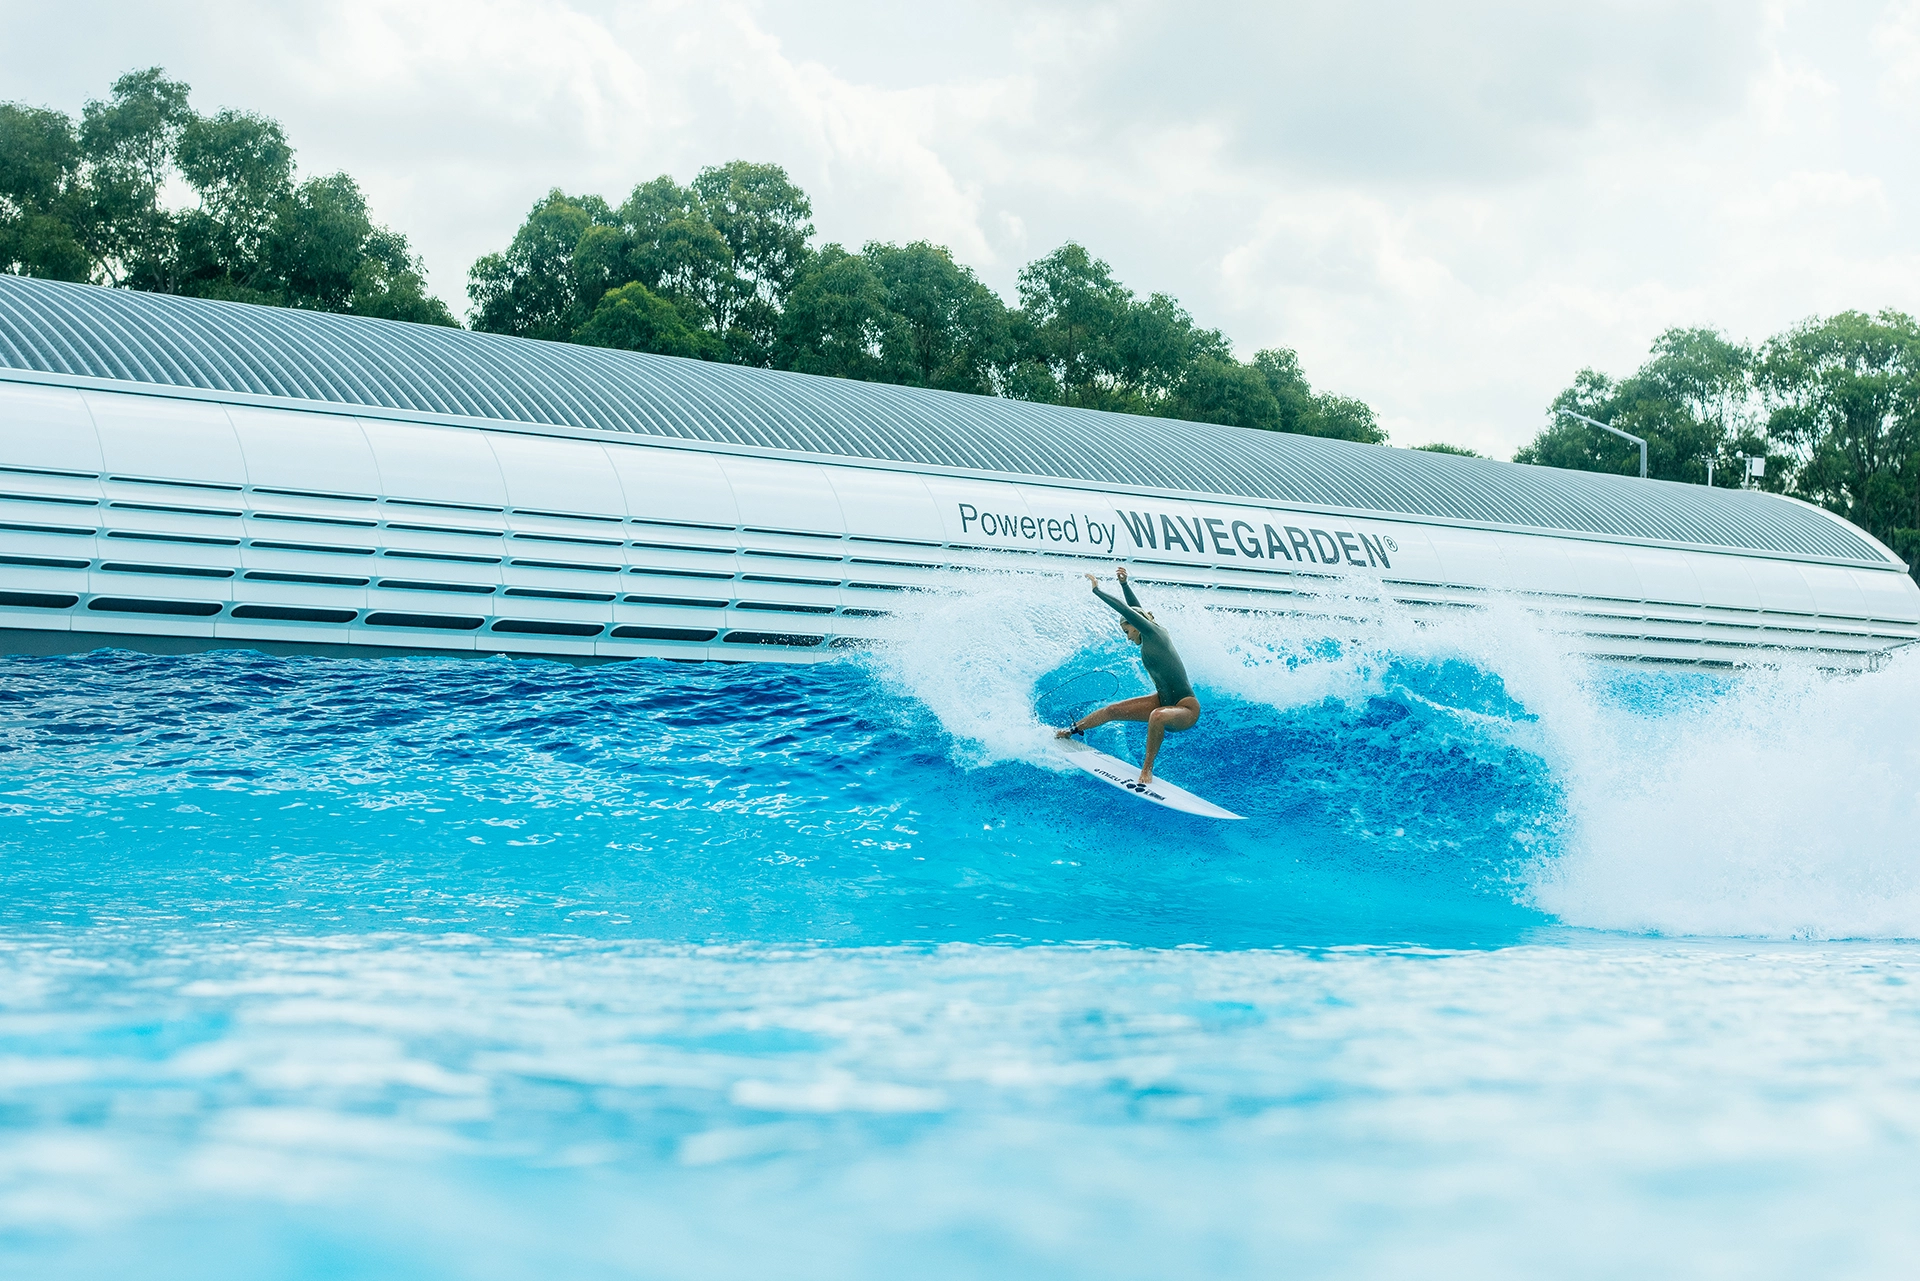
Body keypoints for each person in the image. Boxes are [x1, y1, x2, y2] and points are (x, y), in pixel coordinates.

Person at [1055, 565, 1201, 783]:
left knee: (1157, 715)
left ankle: (1146, 771)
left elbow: (1127, 610)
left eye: (1127, 632)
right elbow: (1135, 610)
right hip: (1161, 700)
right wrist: (1124, 584)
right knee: (1112, 710)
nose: (1127, 638)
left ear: (1135, 626)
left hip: (1185, 708)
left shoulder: (1155, 634)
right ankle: (1071, 730)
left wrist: (1098, 591)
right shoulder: (1149, 632)